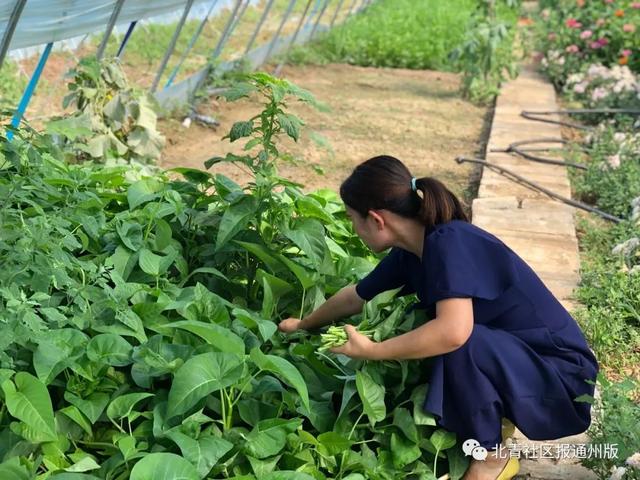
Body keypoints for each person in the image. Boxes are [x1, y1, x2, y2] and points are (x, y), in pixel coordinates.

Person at [277, 155, 599, 480]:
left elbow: (454, 333)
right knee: (437, 335)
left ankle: (490, 457)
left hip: (563, 379)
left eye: (352, 219)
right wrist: (303, 324)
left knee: (453, 334)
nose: (353, 228)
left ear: (376, 219)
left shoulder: (450, 242)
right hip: (524, 363)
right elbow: (356, 296)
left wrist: (373, 351)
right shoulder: (412, 252)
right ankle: (493, 424)